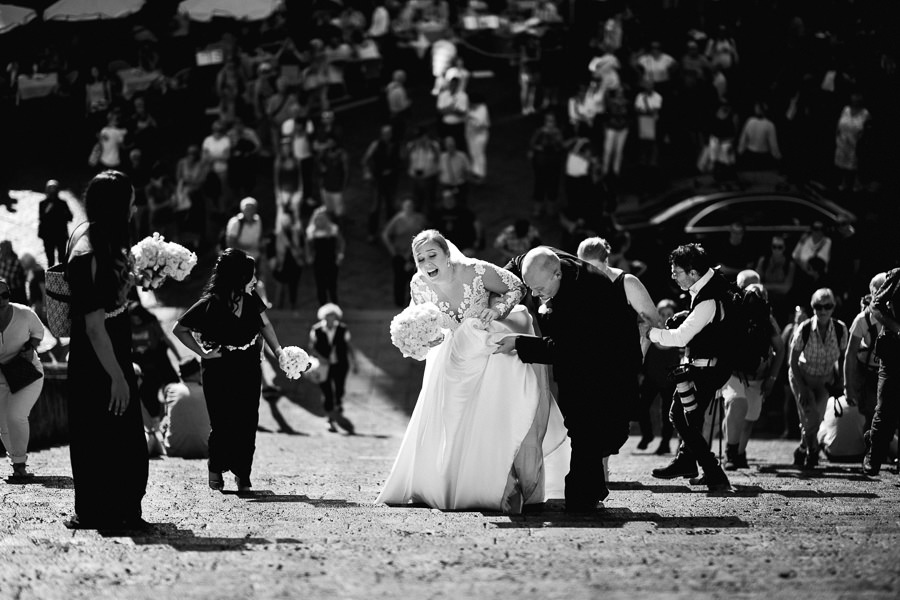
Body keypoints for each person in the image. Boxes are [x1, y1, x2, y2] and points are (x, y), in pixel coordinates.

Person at [377, 231, 568, 514]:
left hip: (486, 352)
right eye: (420, 258)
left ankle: (503, 485)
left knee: (489, 421)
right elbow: (426, 322)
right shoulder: (418, 284)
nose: (427, 263)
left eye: (433, 255)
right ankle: (448, 484)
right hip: (448, 360)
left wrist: (497, 308)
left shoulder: (475, 271)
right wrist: (423, 338)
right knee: (451, 421)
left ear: (446, 254)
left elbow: (516, 287)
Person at [497, 247, 640, 512]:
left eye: (539, 288)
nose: (535, 295)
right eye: (531, 288)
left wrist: (518, 342)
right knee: (582, 426)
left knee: (590, 426)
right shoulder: (543, 261)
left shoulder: (586, 295)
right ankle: (588, 492)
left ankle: (581, 500)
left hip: (606, 363)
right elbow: (518, 263)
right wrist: (499, 286)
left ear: (557, 274)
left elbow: (565, 349)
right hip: (580, 359)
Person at [65, 170, 149, 530]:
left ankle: (103, 509)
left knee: (98, 433)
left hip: (103, 351)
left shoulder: (94, 236)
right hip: (99, 356)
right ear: (118, 205)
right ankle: (114, 512)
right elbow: (94, 325)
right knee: (117, 433)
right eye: (130, 200)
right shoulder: (91, 250)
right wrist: (117, 374)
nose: (135, 206)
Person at [173, 249, 288, 493]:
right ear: (238, 276)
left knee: (247, 420)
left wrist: (279, 352)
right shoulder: (210, 303)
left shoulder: (252, 298)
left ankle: (242, 473)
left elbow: (265, 325)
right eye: (251, 276)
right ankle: (215, 468)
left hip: (248, 365)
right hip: (218, 367)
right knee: (223, 421)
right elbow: (179, 329)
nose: (255, 280)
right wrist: (203, 353)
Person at [645, 244, 733, 491]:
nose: (672, 275)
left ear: (693, 273)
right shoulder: (706, 285)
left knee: (680, 418)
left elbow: (681, 338)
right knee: (688, 419)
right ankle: (688, 463)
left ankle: (714, 473)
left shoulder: (709, 298)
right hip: (703, 366)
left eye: (676, 271)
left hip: (706, 370)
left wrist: (650, 333)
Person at [720, 283, 785, 470]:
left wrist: (772, 378)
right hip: (734, 373)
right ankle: (730, 453)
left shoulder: (768, 320)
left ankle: (739, 453)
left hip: (758, 376)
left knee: (749, 419)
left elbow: (780, 348)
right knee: (736, 403)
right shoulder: (734, 314)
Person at [789, 288, 848, 469]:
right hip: (802, 377)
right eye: (818, 306)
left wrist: (841, 381)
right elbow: (792, 361)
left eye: (827, 306)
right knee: (810, 416)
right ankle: (812, 453)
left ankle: (802, 449)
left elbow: (844, 358)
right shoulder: (804, 328)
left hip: (824, 380)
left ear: (833, 307)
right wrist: (802, 388)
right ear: (813, 307)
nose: (823, 311)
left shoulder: (840, 329)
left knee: (816, 419)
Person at [0, 277, 44, 480]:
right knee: (3, 425)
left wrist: (30, 347)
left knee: (15, 415)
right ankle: (15, 459)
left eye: (5, 295)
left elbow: (39, 332)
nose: (2, 300)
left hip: (27, 373)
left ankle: (20, 466)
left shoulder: (24, 313)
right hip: (1, 377)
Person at [862, 267, 900, 476]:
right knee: (885, 408)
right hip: (893, 352)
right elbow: (876, 307)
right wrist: (897, 328)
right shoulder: (897, 277)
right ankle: (874, 455)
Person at [845, 273, 887, 430]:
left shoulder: (895, 316)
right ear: (873, 293)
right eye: (881, 290)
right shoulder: (862, 319)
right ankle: (872, 451)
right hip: (867, 373)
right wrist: (848, 387)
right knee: (872, 414)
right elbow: (850, 354)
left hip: (888, 373)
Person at [309, 304, 358, 434]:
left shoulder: (342, 329)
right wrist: (320, 357)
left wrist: (355, 362)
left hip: (340, 364)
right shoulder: (317, 330)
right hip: (324, 365)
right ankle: (330, 418)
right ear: (323, 317)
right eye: (327, 316)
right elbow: (312, 347)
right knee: (327, 392)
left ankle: (337, 408)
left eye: (332, 316)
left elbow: (349, 345)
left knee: (339, 389)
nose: (330, 319)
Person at [160, 358, 211, 459]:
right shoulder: (209, 391)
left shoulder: (170, 389)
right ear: (198, 373)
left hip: (174, 449)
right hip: (206, 449)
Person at [382, 199, 427, 307]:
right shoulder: (398, 219)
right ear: (403, 207)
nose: (409, 208)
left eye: (411, 206)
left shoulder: (420, 219)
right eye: (407, 206)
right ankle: (399, 303)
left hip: (416, 254)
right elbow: (385, 235)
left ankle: (413, 302)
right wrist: (392, 250)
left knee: (416, 278)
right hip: (400, 253)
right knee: (400, 278)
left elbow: (426, 234)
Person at [363, 125, 402, 240]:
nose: (387, 136)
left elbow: (400, 160)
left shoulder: (396, 144)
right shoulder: (376, 145)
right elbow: (365, 159)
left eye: (389, 133)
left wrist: (394, 170)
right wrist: (368, 172)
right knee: (375, 207)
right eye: (385, 134)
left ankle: (390, 231)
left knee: (391, 206)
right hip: (378, 180)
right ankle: (372, 232)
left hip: (391, 180)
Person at [305, 206, 345, 306]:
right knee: (320, 285)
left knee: (332, 284)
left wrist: (340, 255)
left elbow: (341, 243)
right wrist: (309, 256)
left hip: (331, 260)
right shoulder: (312, 232)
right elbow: (308, 246)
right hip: (318, 261)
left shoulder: (333, 230)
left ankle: (335, 304)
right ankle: (322, 306)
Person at [37, 179, 73, 266]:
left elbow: (70, 217)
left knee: (62, 259)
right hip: (48, 235)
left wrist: (62, 214)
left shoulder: (62, 203)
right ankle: (52, 278)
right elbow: (41, 218)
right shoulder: (43, 203)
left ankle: (62, 278)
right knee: (50, 259)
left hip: (60, 234)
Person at [465, 93, 490, 183]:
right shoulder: (471, 108)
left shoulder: (483, 109)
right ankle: (475, 172)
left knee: (479, 154)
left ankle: (481, 174)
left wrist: (470, 118)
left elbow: (480, 124)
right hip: (471, 134)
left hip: (480, 135)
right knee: (473, 153)